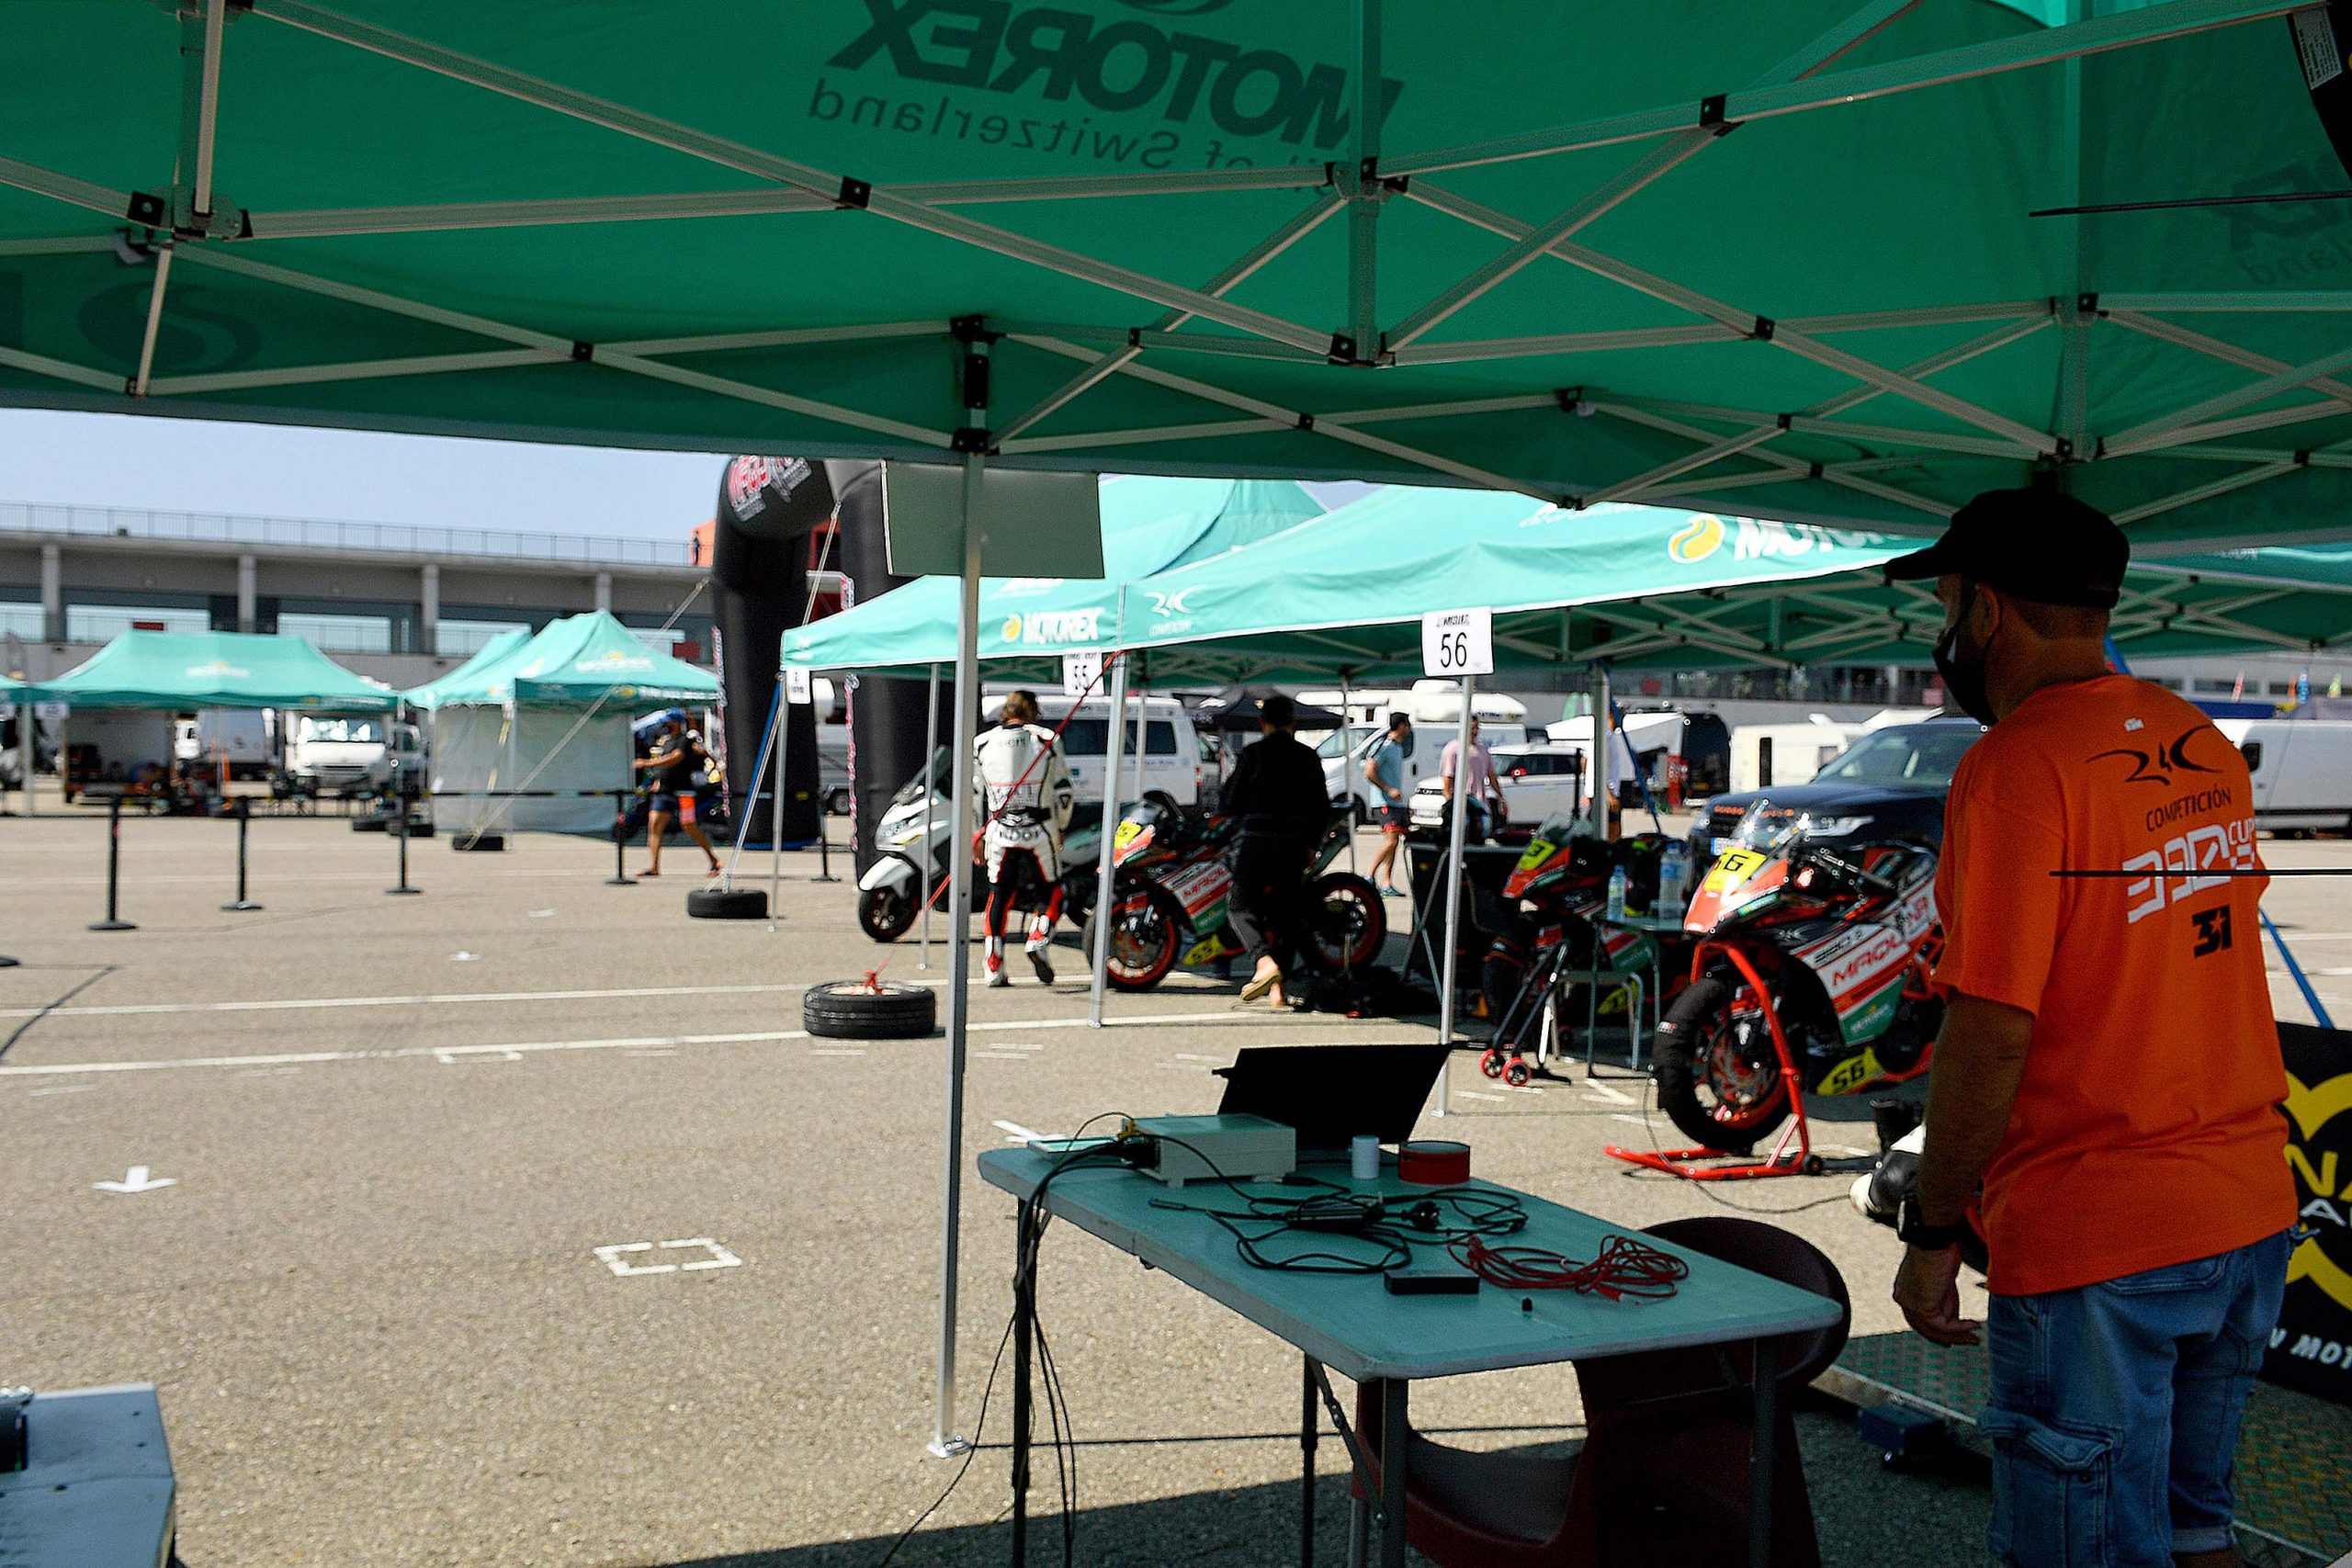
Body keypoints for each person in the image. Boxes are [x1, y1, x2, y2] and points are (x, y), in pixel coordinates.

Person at [1883, 490, 2295, 1568]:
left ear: (1986, 611)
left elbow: (1991, 1029)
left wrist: (1932, 1232)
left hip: (2099, 1233)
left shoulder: (2015, 765)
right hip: (2244, 1206)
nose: (1945, 632)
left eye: (1945, 602)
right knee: (2196, 1527)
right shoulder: (2196, 740)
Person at [1222, 694, 1331, 1007]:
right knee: (1286, 915)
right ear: (1293, 722)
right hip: (1293, 844)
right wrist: (1312, 844)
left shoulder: (1253, 753)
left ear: (1263, 723)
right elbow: (1321, 806)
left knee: (1240, 908)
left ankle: (1263, 961)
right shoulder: (1307, 756)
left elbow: (1230, 800)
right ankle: (1277, 990)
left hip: (1257, 840)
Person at [972, 690, 1074, 987]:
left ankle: (993, 964)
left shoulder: (982, 743)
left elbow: (976, 795)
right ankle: (1039, 936)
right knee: (1053, 891)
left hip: (999, 831)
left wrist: (979, 833)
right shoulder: (1047, 739)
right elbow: (1064, 792)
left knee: (999, 896)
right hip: (1040, 829)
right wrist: (1062, 826)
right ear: (1033, 712)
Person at [635, 712, 721, 877]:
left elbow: (676, 758)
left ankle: (713, 860)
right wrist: (656, 780)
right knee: (654, 825)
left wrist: (647, 763)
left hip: (683, 792)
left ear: (676, 723)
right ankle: (653, 867)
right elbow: (664, 765)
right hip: (664, 791)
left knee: (689, 826)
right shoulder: (666, 742)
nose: (665, 725)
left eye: (669, 722)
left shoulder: (684, 741)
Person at [1361, 711, 1412, 897]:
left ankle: (1386, 883)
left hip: (1396, 803)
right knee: (1391, 841)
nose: (1409, 728)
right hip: (1383, 802)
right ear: (1401, 726)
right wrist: (1388, 789)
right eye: (1408, 724)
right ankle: (1369, 875)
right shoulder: (1383, 745)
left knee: (1394, 842)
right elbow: (1369, 771)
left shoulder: (1398, 747)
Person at [1439, 715, 1505, 842]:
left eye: (1476, 728)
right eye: (1471, 728)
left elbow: (1491, 776)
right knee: (1462, 838)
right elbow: (1447, 779)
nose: (1474, 732)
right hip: (1463, 803)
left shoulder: (1483, 749)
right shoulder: (1452, 749)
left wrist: (1500, 797)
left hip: (1481, 804)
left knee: (1481, 836)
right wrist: (1450, 804)